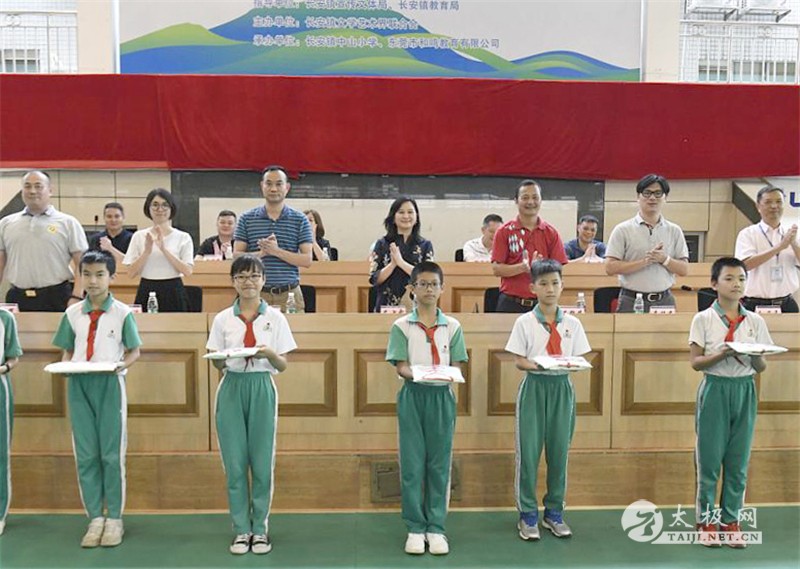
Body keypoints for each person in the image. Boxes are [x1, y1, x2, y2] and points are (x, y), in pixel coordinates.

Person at [52, 250, 142, 548]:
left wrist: (121, 367)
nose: (92, 280)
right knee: (86, 454)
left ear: (111, 277)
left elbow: (133, 351)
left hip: (109, 384)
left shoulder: (122, 313)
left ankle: (114, 517)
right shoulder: (72, 313)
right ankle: (95, 517)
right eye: (87, 274)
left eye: (99, 274)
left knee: (110, 454)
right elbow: (66, 348)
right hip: (79, 385)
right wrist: (65, 366)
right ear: (80, 277)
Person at [207, 254, 296, 556]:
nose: (248, 282)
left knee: (261, 462)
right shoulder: (222, 319)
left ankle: (260, 529)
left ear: (263, 280)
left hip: (261, 387)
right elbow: (216, 362)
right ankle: (240, 529)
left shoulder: (276, 318)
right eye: (242, 276)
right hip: (232, 387)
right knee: (234, 463)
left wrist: (270, 354)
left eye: (254, 276)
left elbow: (282, 365)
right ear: (233, 281)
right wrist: (224, 358)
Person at [688, 257, 774, 548]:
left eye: (741, 279)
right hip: (715, 389)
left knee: (738, 462)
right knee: (709, 460)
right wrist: (722, 354)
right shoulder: (703, 319)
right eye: (729, 278)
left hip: (745, 390)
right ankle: (706, 521)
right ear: (714, 284)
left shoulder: (755, 321)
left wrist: (753, 355)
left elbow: (761, 367)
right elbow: (696, 363)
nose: (736, 284)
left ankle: (731, 521)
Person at [385, 261, 468, 556]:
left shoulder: (453, 326)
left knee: (438, 464)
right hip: (413, 396)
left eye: (434, 284)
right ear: (412, 289)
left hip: (441, 398)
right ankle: (414, 527)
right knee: (412, 463)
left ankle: (436, 527)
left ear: (442, 289)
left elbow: (457, 364)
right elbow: (401, 365)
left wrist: (442, 375)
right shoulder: (401, 326)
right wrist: (421, 375)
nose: (428, 289)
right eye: (422, 284)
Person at [505, 259, 590, 542]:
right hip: (534, 388)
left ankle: (554, 511)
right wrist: (540, 366)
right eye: (543, 284)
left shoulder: (573, 323)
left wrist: (569, 365)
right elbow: (519, 361)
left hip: (562, 389)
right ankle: (527, 512)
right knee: (528, 453)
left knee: (559, 453)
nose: (550, 289)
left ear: (562, 285)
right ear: (532, 288)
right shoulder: (524, 322)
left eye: (555, 283)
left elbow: (580, 358)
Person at [0, 170, 88, 312]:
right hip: (18, 297)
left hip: (57, 296)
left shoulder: (68, 223)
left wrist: (77, 296)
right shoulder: (6, 223)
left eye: (38, 186)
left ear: (50, 190)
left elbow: (82, 263)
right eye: (27, 186)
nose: (33, 191)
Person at [605, 174, 689, 313]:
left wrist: (664, 259)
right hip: (631, 299)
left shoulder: (674, 230)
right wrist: (645, 261)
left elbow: (684, 269)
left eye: (658, 193)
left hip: (664, 300)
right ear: (638, 197)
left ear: (665, 197)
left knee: (665, 336)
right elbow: (609, 268)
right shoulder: (623, 229)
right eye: (647, 193)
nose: (652, 198)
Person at [234, 166, 312, 312]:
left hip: (289, 295)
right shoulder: (247, 218)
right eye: (268, 184)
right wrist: (261, 254)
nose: (273, 189)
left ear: (287, 187)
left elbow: (307, 260)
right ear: (262, 186)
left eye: (279, 184)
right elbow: (237, 257)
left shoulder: (300, 219)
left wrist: (276, 251)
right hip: (255, 294)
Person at [491, 180, 569, 313]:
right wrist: (522, 268)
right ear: (516, 201)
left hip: (542, 304)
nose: (531, 202)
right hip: (510, 303)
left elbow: (558, 268)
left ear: (541, 200)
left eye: (535, 197)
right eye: (525, 198)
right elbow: (496, 269)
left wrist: (540, 268)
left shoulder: (551, 233)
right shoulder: (504, 231)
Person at [123, 189, 194, 312]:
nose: (160, 209)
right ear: (148, 208)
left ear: (171, 208)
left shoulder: (183, 237)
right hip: (146, 288)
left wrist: (164, 249)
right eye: (155, 205)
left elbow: (187, 271)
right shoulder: (139, 236)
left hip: (173, 289)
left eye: (165, 205)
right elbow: (130, 273)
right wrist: (146, 252)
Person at [734, 186, 800, 313]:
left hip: (786, 303)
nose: (774, 206)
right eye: (768, 202)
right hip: (754, 304)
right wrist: (779, 247)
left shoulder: (792, 233)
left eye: (779, 202)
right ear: (758, 207)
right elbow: (745, 265)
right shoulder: (748, 234)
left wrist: (794, 244)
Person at [369, 197, 434, 311]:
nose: (406, 216)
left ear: (416, 217)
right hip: (386, 305)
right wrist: (393, 264)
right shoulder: (381, 244)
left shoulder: (425, 245)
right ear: (393, 217)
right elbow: (374, 279)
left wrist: (401, 263)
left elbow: (427, 276)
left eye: (410, 212)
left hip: (417, 305)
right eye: (401, 212)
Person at [0, 306, 23, 537]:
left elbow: (14, 356)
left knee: (0, 453)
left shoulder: (5, 318)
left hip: (0, 388)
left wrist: (4, 368)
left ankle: (0, 514)